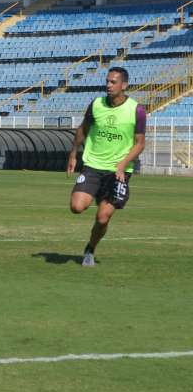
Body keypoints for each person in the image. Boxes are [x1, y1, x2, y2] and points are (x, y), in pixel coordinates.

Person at [66, 67, 146, 267]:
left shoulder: (136, 110)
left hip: (118, 172)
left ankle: (90, 249)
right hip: (93, 165)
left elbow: (140, 143)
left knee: (102, 219)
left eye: (113, 82)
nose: (108, 85)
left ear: (124, 85)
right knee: (76, 207)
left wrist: (123, 164)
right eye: (107, 81)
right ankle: (97, 194)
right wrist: (73, 153)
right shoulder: (96, 104)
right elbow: (83, 128)